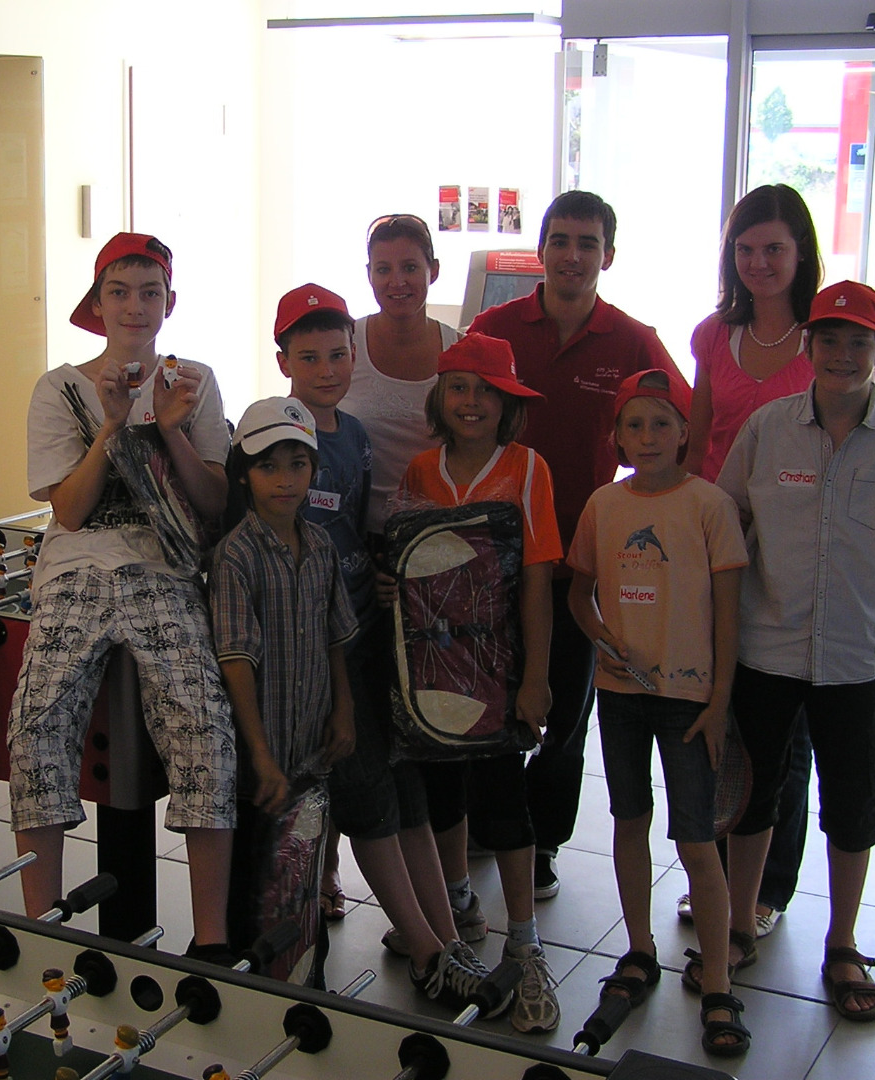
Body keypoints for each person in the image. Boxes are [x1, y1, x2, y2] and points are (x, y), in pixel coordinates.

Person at [6, 233, 237, 960]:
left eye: (149, 292)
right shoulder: (59, 388)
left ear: (169, 302)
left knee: (205, 725)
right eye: (119, 291)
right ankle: (42, 922)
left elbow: (214, 504)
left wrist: (170, 430)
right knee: (35, 725)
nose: (135, 306)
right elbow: (71, 512)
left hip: (164, 572)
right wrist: (111, 423)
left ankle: (212, 937)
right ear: (98, 302)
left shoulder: (194, 383)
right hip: (74, 573)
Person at [271, 284, 501, 1004]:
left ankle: (446, 940)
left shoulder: (355, 435)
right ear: (283, 361)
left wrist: (380, 577)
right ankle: (429, 954)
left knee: (403, 782)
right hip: (315, 653)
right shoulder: (276, 436)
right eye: (310, 356)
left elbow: (353, 531)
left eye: (338, 354)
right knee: (366, 789)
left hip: (367, 632)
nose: (328, 369)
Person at [718, 281, 875, 1023]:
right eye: (830, 339)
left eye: (860, 342)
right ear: (808, 347)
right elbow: (731, 513)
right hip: (766, 645)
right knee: (754, 791)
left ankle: (843, 942)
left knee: (853, 800)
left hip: (853, 656)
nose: (844, 354)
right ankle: (739, 923)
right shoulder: (767, 427)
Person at [469, 191, 683, 901]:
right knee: (490, 700)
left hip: (577, 562)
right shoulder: (497, 329)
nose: (571, 255)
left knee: (562, 713)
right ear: (541, 249)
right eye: (559, 240)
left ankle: (543, 839)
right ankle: (488, 822)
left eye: (587, 243)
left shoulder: (632, 341)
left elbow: (682, 423)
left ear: (608, 256)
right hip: (491, 561)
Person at [566, 369, 750, 1057]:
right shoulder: (603, 505)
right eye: (634, 425)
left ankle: (719, 978)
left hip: (688, 701)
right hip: (621, 694)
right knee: (629, 819)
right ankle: (639, 949)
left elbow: (728, 614)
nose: (647, 437)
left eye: (661, 424)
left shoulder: (709, 505)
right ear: (617, 436)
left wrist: (719, 701)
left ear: (684, 433)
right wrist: (599, 637)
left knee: (697, 841)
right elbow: (579, 594)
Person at [392, 333, 561, 1033]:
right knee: (441, 795)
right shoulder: (420, 470)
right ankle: (458, 908)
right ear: (439, 397)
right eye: (459, 387)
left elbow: (539, 581)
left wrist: (535, 679)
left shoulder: (527, 468)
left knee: (503, 803)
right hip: (434, 670)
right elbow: (409, 565)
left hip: (501, 669)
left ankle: (525, 944)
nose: (471, 402)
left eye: (487, 390)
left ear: (507, 403)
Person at [338, 213, 488, 952]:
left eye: (409, 267)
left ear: (433, 270)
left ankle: (453, 889)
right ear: (368, 274)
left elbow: (483, 440)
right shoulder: (346, 345)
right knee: (360, 723)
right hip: (359, 556)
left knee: (437, 730)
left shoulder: (458, 350)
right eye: (382, 268)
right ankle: (325, 878)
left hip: (440, 560)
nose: (396, 281)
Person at [680, 183, 823, 938]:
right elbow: (699, 440)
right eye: (745, 249)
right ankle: (715, 875)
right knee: (718, 715)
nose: (759, 262)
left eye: (774, 248)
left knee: (781, 727)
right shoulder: (714, 334)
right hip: (717, 546)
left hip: (793, 557)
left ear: (801, 253)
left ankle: (766, 886)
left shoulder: (824, 338)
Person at [210, 396, 357, 980]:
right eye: (269, 466)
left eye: (298, 464)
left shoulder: (321, 547)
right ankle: (249, 985)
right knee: (252, 882)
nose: (285, 480)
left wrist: (344, 709)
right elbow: (236, 660)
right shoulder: (235, 556)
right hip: (258, 771)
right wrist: (262, 756)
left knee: (301, 872)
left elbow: (335, 636)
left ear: (314, 471)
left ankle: (305, 974)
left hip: (310, 756)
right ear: (244, 474)